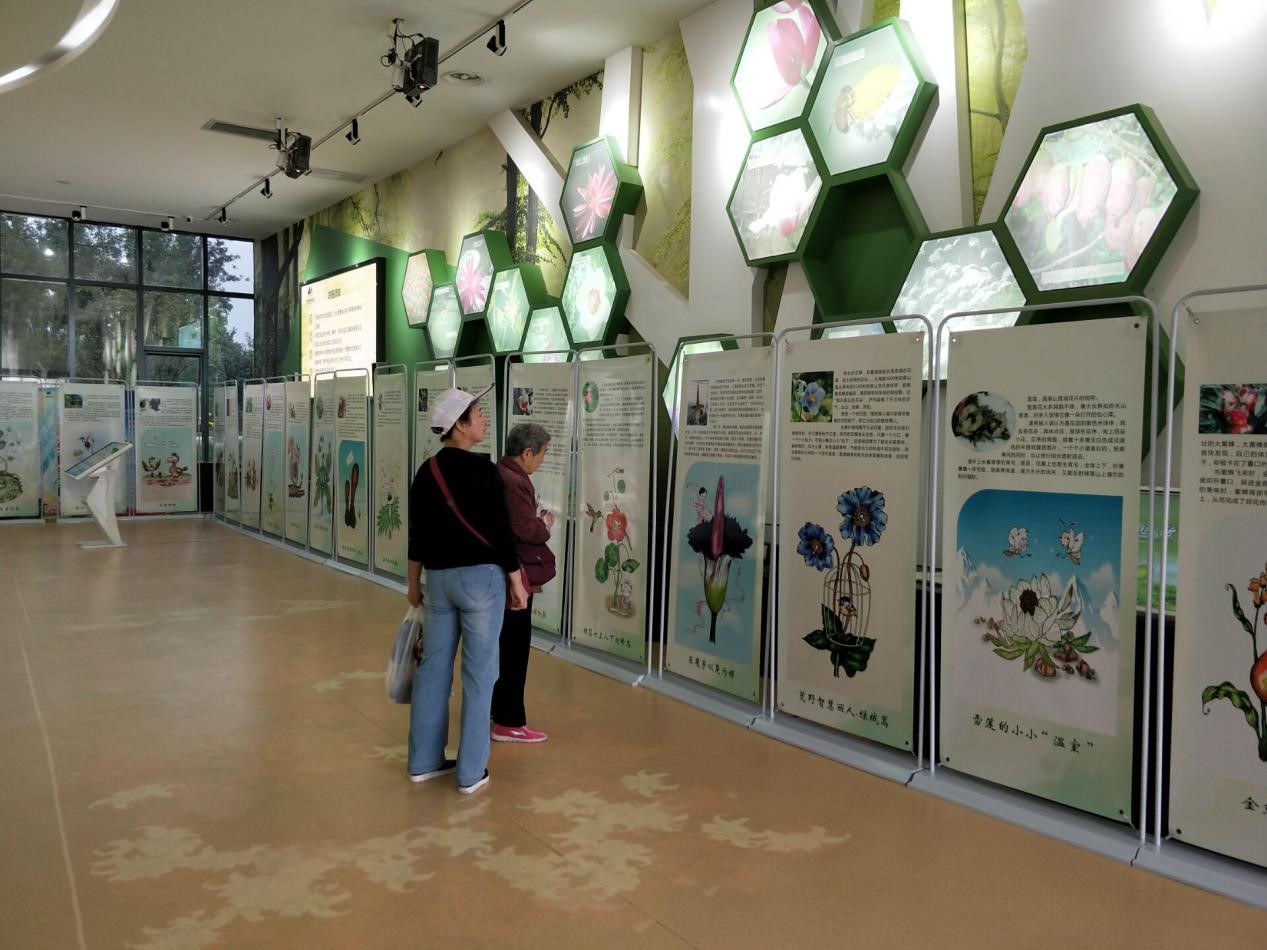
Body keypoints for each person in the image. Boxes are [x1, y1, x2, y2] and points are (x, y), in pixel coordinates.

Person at [406, 387, 528, 794]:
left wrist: (412, 584)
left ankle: (423, 762)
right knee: (479, 675)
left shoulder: (426, 472)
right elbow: (501, 531)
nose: (484, 419)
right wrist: (516, 579)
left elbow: (417, 535)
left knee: (433, 670)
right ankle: (470, 772)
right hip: (481, 583)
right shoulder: (483, 470)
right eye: (478, 413)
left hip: (438, 582)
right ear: (460, 425)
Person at [492, 423, 555, 743]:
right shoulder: (515, 482)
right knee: (515, 647)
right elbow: (525, 529)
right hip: (514, 575)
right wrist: (544, 526)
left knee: (502, 646)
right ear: (528, 452)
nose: (542, 460)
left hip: (498, 574)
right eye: (542, 454)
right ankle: (510, 720)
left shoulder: (499, 472)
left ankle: (497, 710)